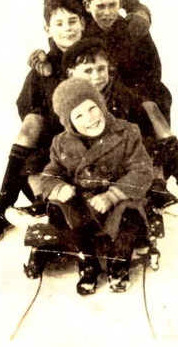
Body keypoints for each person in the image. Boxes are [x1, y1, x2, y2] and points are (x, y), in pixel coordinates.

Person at [62, 38, 178, 217]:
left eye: (101, 69)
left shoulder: (122, 97)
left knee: (148, 146)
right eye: (88, 71)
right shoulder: (67, 99)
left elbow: (140, 136)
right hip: (88, 165)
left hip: (124, 160)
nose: (96, 76)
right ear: (71, 74)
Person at [0, 0, 86, 242]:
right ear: (48, 29)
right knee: (31, 131)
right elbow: (26, 108)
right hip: (57, 147)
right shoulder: (42, 67)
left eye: (72, 22)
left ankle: (56, 212)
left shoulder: (94, 59)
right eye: (59, 24)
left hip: (91, 145)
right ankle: (4, 209)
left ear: (82, 22)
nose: (67, 29)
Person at [41, 77, 153, 295]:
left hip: (118, 199)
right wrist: (58, 187)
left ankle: (118, 262)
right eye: (79, 115)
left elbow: (142, 170)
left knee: (128, 216)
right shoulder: (61, 143)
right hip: (84, 203)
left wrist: (112, 196)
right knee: (58, 208)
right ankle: (87, 261)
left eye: (93, 108)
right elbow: (48, 174)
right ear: (69, 122)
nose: (90, 118)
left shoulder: (127, 132)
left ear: (101, 105)